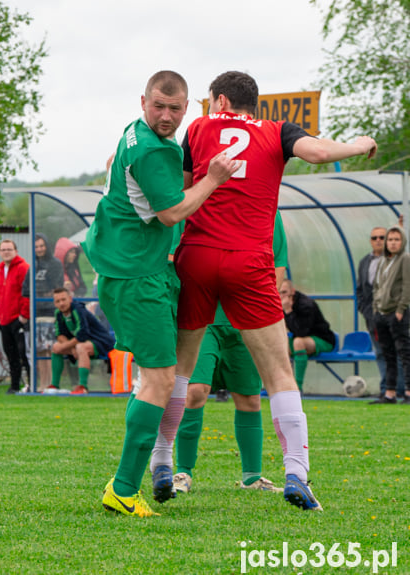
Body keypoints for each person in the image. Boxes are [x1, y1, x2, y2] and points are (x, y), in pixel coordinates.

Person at [173, 70, 377, 512]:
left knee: (180, 375)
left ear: (221, 101)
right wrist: (360, 144)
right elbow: (320, 151)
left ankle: (162, 465)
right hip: (249, 262)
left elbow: (182, 192)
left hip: (199, 255)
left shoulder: (198, 128)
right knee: (279, 376)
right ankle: (296, 473)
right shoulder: (277, 131)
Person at [82, 70, 240, 518]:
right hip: (136, 275)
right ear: (143, 102)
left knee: (156, 378)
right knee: (159, 379)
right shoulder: (151, 150)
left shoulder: (135, 133)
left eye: (175, 108)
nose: (166, 115)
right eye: (159, 106)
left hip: (128, 266)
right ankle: (125, 488)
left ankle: (135, 476)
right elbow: (172, 213)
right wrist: (213, 178)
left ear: (187, 108)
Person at [171, 213, 288, 496]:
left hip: (246, 318)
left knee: (248, 398)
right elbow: (174, 257)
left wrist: (259, 303)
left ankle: (252, 477)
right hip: (203, 318)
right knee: (195, 390)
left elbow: (278, 264)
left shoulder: (266, 206)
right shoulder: (195, 200)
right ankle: (182, 472)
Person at [357, 226, 404, 399]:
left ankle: (400, 388)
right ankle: (387, 389)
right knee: (381, 352)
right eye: (374, 237)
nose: (378, 240)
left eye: (382, 237)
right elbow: (361, 289)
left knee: (399, 352)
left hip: (394, 314)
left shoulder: (398, 261)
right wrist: (367, 311)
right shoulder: (364, 262)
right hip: (373, 317)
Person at [47, 287, 114, 395]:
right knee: (55, 347)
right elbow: (59, 335)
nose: (61, 303)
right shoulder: (58, 313)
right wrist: (70, 347)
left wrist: (71, 347)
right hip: (79, 344)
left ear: (70, 298)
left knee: (81, 347)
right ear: (54, 303)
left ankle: (83, 387)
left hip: (101, 342)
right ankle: (54, 385)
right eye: (58, 301)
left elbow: (82, 335)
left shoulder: (78, 310)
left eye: (63, 299)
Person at [370, 226, 410, 404]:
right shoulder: (383, 261)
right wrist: (375, 308)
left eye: (397, 239)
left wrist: (401, 309)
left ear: (402, 242)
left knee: (404, 353)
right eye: (390, 239)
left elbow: (407, 286)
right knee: (388, 354)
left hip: (397, 313)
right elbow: (377, 286)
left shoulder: (405, 259)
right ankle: (390, 393)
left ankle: (408, 392)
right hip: (381, 313)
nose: (393, 243)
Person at [23, 233, 64, 391]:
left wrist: (44, 293)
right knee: (39, 349)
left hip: (49, 312)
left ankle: (50, 383)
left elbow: (56, 287)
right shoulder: (32, 265)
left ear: (46, 246)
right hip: (36, 314)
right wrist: (38, 293)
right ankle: (41, 383)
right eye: (36, 247)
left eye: (42, 246)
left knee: (49, 348)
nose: (39, 249)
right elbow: (25, 289)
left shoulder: (55, 264)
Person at [279, 279, 336, 392]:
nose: (282, 296)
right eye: (279, 293)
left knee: (298, 342)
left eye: (284, 292)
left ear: (292, 292)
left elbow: (301, 332)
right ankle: (281, 386)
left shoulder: (306, 305)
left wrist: (288, 311)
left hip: (323, 339)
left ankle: (297, 387)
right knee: (278, 345)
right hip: (300, 339)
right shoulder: (279, 304)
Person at [0, 239, 30, 394]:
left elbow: (27, 293)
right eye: (3, 250)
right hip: (4, 320)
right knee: (11, 355)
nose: (6, 252)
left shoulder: (23, 268)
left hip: (19, 319)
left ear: (15, 251)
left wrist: (23, 315)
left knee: (24, 354)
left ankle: (30, 384)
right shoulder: (0, 270)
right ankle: (14, 385)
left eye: (9, 249)